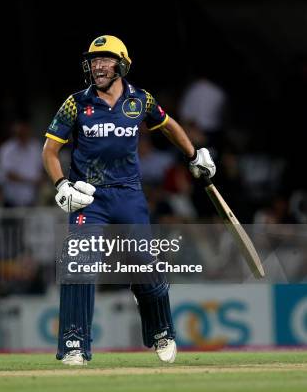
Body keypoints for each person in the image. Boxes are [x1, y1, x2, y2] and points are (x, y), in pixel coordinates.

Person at [41, 35, 215, 366]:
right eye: (94, 61)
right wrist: (62, 184)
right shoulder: (76, 103)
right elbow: (50, 150)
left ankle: (162, 331)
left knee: (145, 267)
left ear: (121, 64)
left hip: (129, 196)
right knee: (79, 265)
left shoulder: (141, 101)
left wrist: (194, 155)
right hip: (89, 197)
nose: (97, 66)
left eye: (105, 60)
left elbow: (168, 126)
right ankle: (74, 344)